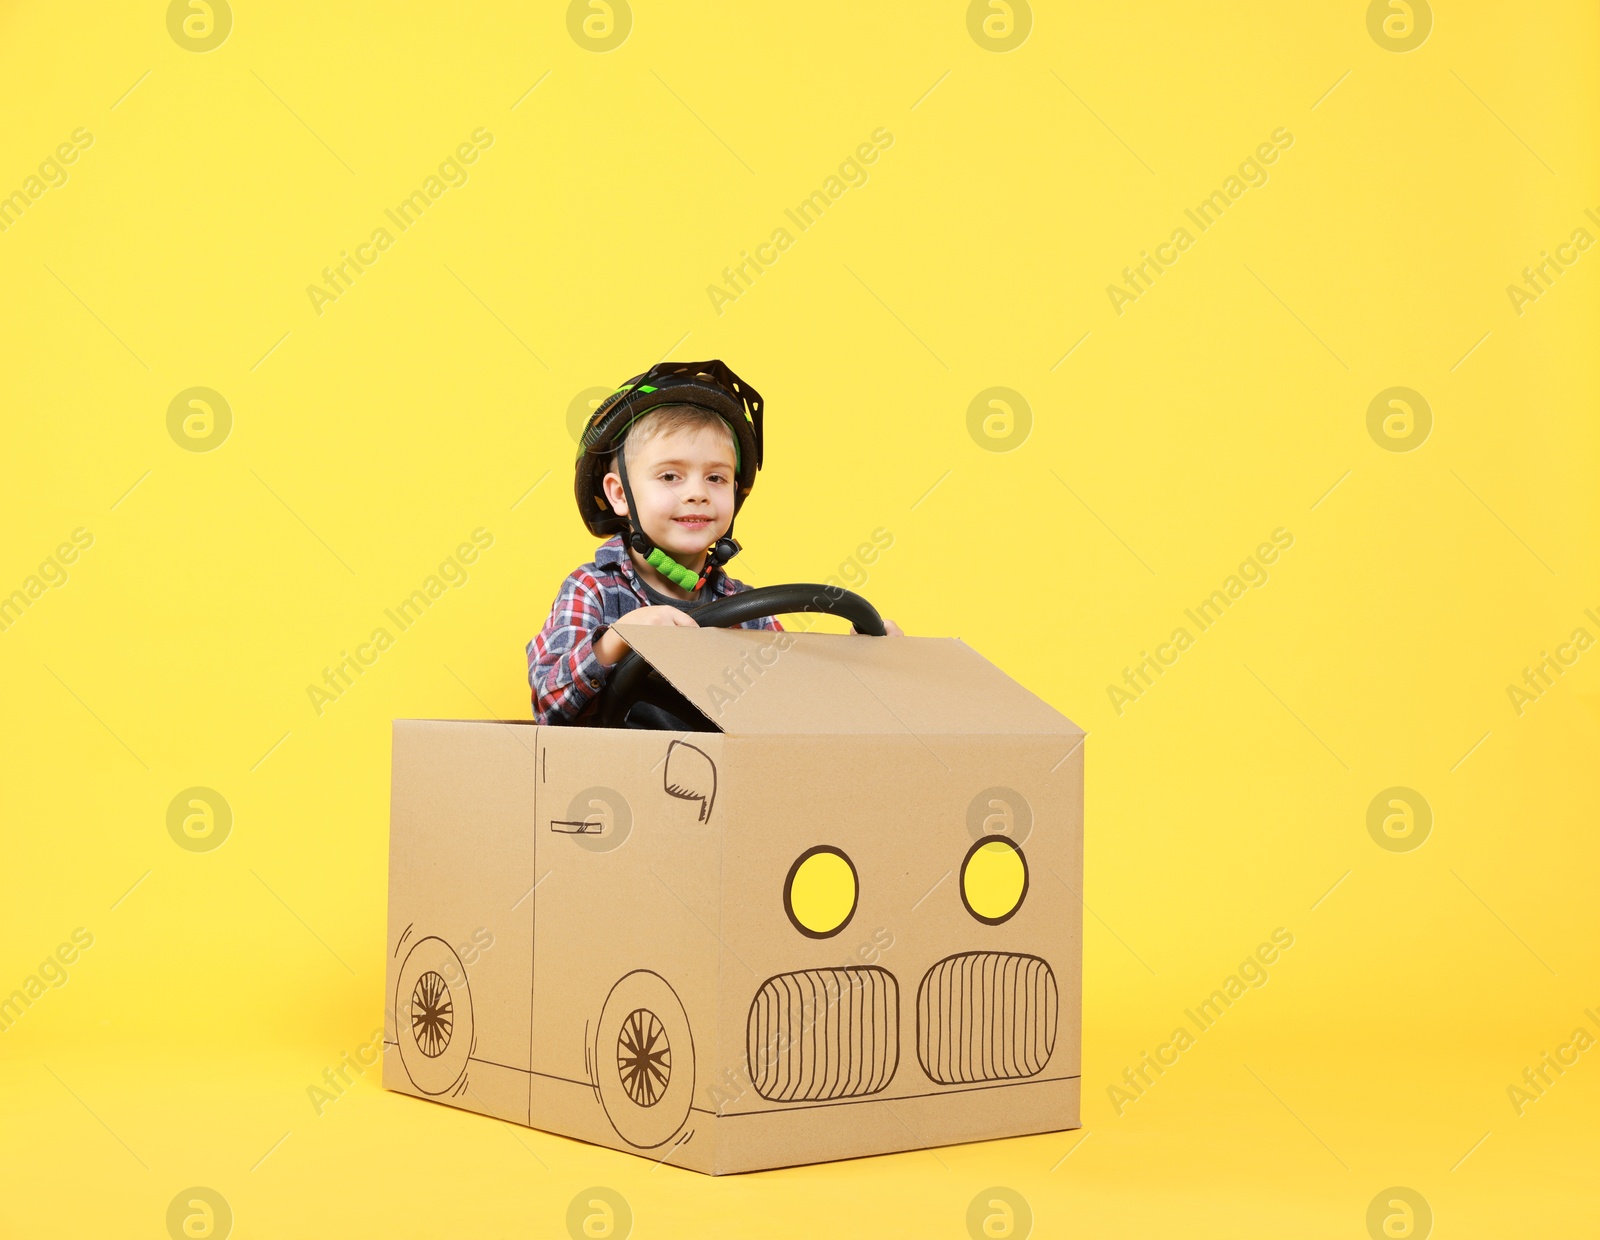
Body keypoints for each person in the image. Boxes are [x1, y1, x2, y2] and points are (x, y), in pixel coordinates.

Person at [527, 359, 903, 725]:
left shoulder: (749, 611)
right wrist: (618, 638)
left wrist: (866, 664)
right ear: (620, 494)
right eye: (671, 476)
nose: (696, 493)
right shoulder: (593, 589)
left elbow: (798, 713)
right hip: (618, 779)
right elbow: (549, 704)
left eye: (716, 478)